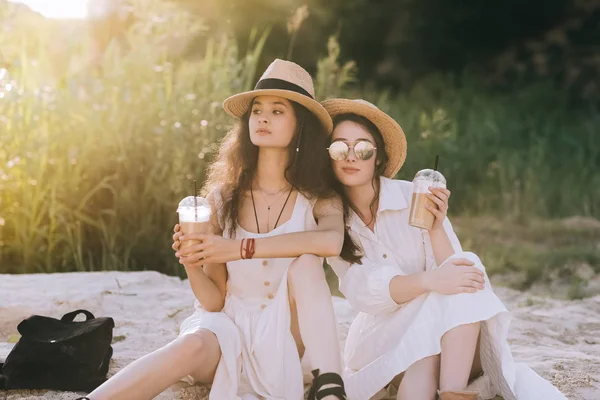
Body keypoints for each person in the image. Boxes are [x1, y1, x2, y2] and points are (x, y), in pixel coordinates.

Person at [77, 60, 354, 400]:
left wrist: (239, 248)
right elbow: (213, 300)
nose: (263, 118)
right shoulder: (222, 198)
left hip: (283, 334)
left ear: (300, 127)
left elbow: (330, 241)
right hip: (226, 329)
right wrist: (191, 261)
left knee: (307, 263)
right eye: (256, 110)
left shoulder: (320, 197)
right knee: (191, 343)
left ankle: (330, 387)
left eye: (278, 111)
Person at [323, 98, 567, 400]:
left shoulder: (413, 197)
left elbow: (458, 278)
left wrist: (437, 227)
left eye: (362, 149)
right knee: (429, 340)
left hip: (442, 335)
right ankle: (453, 391)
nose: (350, 156)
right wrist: (429, 281)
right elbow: (362, 293)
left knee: (462, 272)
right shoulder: (330, 218)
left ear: (378, 158)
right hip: (379, 336)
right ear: (328, 157)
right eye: (338, 148)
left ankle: (452, 392)